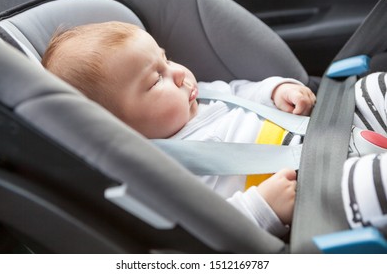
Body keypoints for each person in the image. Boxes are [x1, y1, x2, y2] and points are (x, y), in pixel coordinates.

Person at [41, 21, 387, 237]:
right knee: (374, 182)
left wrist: (277, 90)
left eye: (167, 59)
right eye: (155, 79)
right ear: (120, 127)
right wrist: (262, 208)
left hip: (328, 129)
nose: (178, 73)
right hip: (311, 189)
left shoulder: (202, 94)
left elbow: (243, 92)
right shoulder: (161, 168)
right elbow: (206, 224)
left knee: (372, 90)